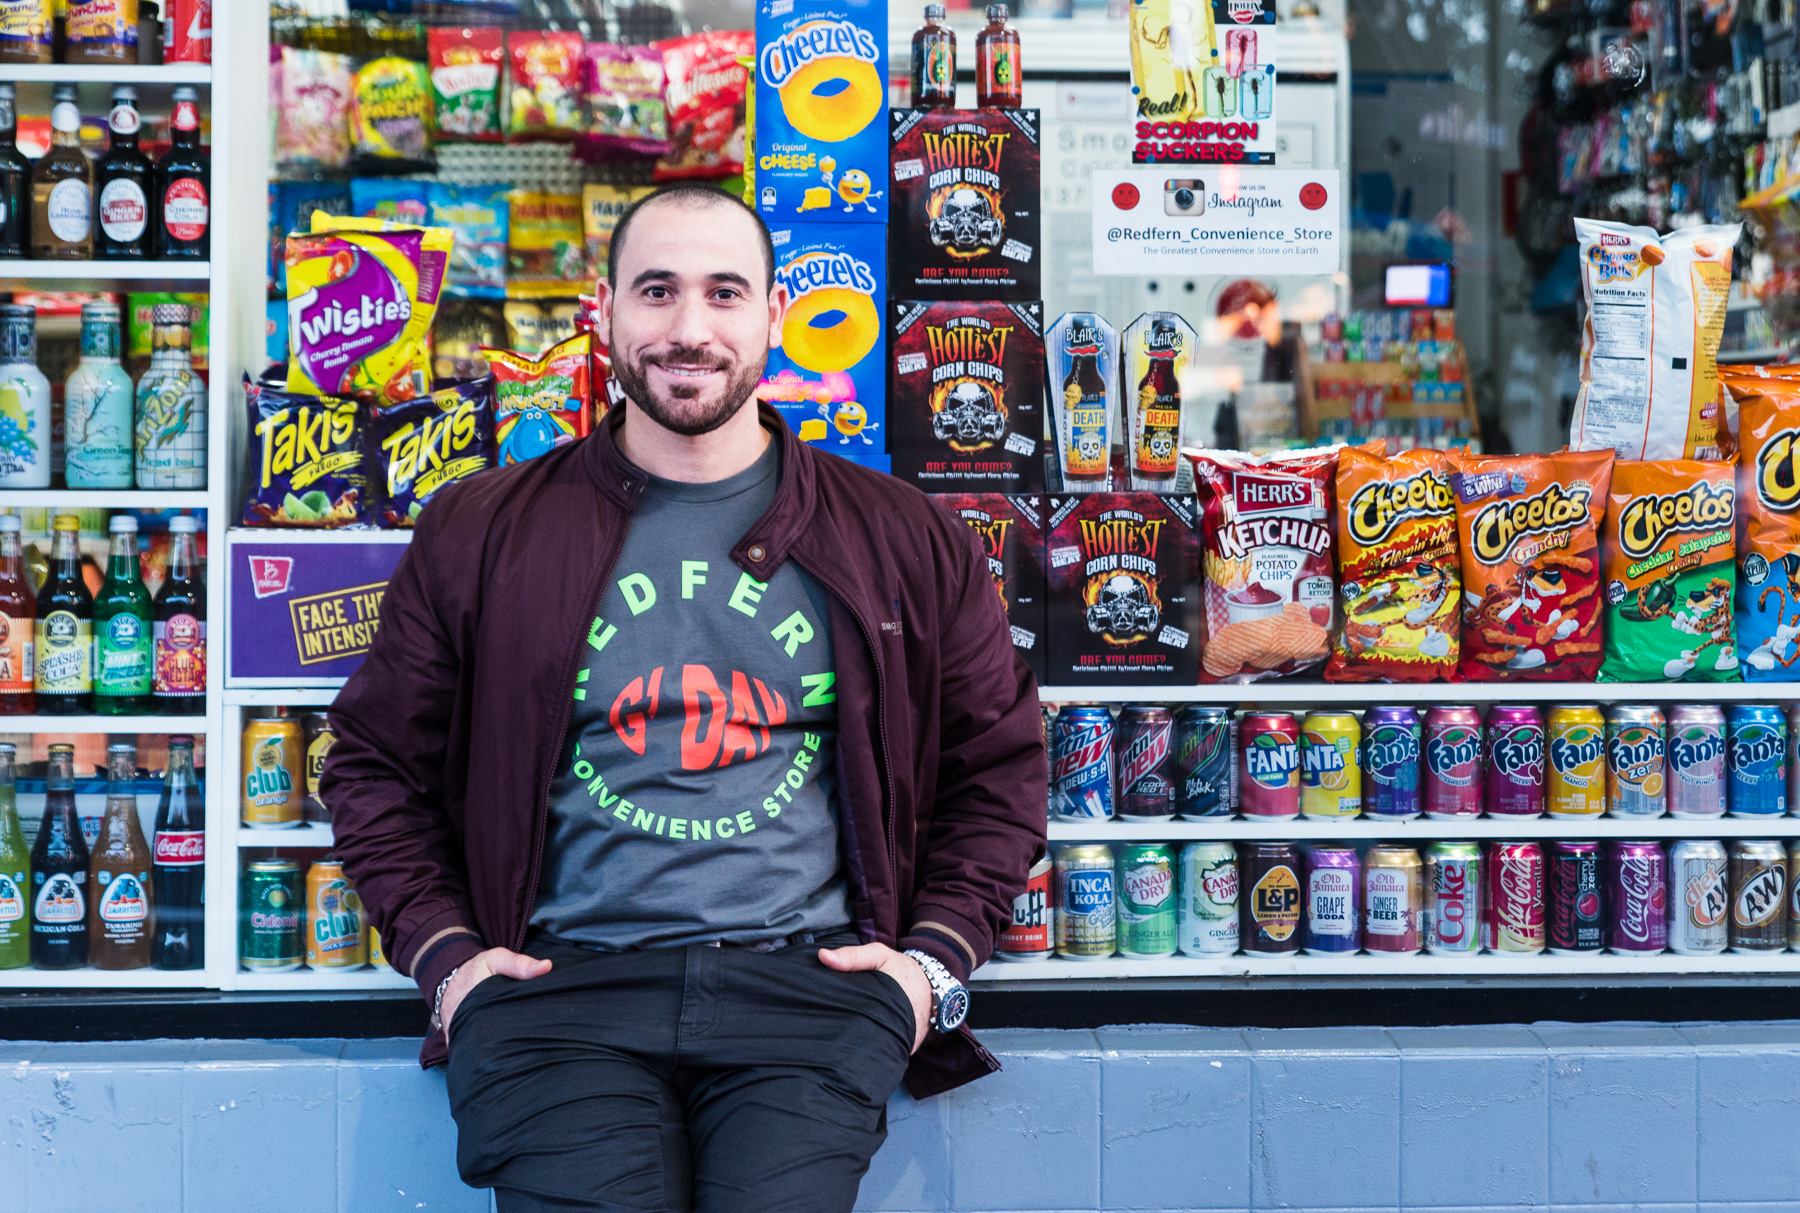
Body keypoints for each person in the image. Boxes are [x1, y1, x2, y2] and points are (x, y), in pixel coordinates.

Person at [323, 183, 1047, 1213]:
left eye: (724, 292)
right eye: (656, 291)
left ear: (774, 318)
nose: (690, 329)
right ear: (605, 312)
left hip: (811, 992)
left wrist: (926, 970)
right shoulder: (481, 529)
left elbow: (1000, 768)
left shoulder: (901, 535)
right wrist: (447, 962)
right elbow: (373, 764)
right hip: (554, 994)